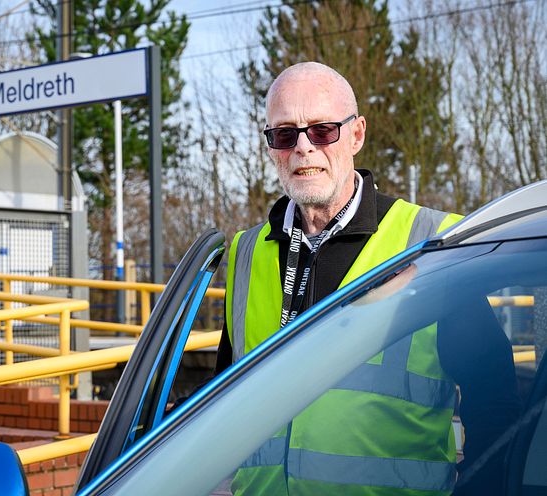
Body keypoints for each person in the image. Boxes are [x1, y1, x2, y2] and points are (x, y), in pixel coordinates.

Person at [216, 62, 521, 495]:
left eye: (322, 130)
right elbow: (222, 402)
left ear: (356, 134)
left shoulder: (427, 244)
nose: (303, 148)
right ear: (270, 146)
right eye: (285, 134)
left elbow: (496, 404)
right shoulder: (248, 252)